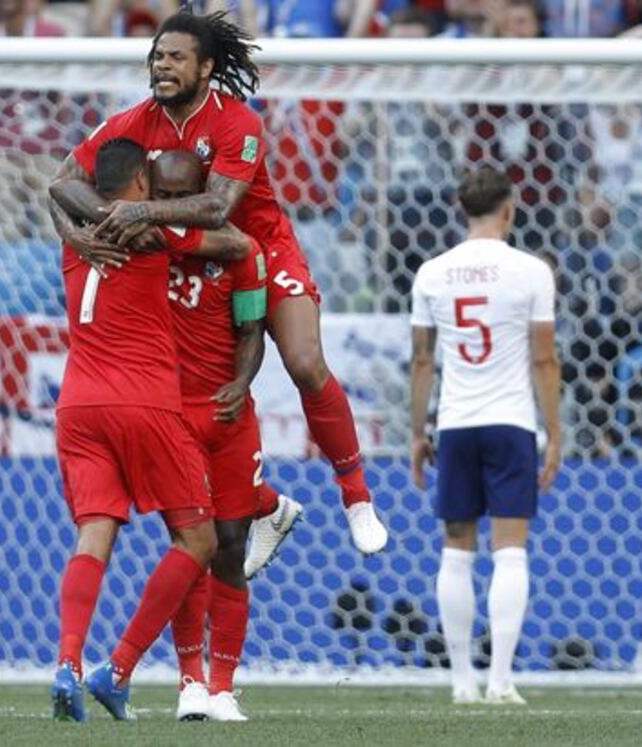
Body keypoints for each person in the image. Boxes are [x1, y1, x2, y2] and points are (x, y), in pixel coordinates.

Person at [48, 9, 388, 556]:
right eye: (157, 56)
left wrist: (140, 215)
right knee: (195, 411)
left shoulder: (237, 123)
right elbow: (62, 181)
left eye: (175, 57)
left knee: (303, 361)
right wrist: (76, 233)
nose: (162, 65)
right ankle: (263, 504)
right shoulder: (133, 121)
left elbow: (220, 206)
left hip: (257, 245)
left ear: (206, 67)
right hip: (186, 260)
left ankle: (356, 496)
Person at [47, 138, 220, 722]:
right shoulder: (148, 235)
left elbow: (59, 187)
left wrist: (81, 214)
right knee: (198, 539)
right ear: (143, 185)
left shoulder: (74, 239)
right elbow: (234, 242)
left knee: (94, 532)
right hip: (142, 400)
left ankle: (66, 664)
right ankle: (117, 669)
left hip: (77, 404)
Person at [150, 150, 301, 721]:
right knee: (193, 547)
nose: (170, 209)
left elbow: (251, 329)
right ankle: (189, 681)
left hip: (227, 413)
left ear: (205, 195)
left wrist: (242, 381)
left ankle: (222, 686)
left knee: (232, 547)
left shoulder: (244, 253)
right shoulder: (144, 247)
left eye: (180, 197)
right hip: (170, 417)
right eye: (160, 198)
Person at [408, 167, 562, 705]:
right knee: (511, 552)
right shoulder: (532, 271)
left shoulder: (432, 273)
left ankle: (461, 681)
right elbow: (544, 359)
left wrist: (416, 432)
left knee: (456, 551)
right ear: (510, 209)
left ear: (460, 209)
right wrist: (556, 433)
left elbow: (423, 360)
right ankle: (501, 678)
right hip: (512, 423)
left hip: (455, 423)